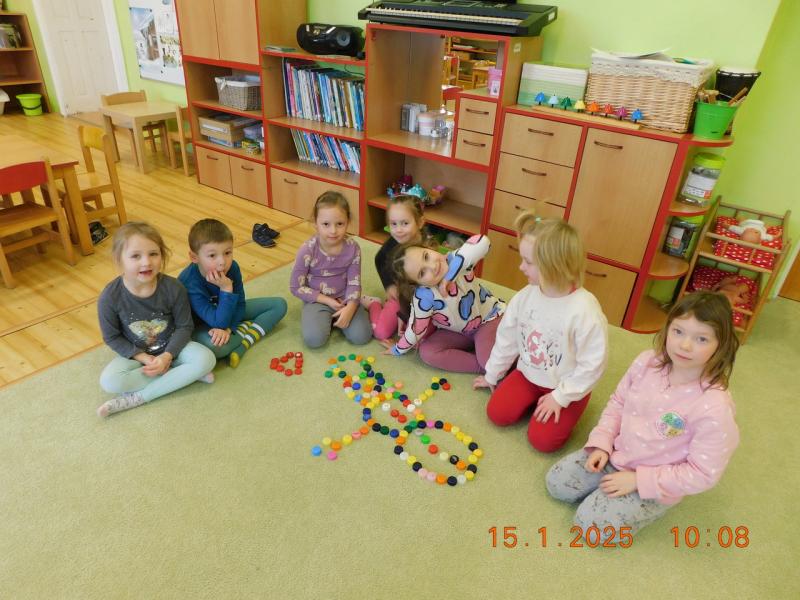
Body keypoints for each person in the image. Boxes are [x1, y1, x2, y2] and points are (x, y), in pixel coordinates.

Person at [546, 291, 740, 544]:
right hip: (616, 455)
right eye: (678, 331)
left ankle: (647, 508)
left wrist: (639, 480)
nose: (684, 345)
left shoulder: (714, 408)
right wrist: (602, 443)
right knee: (557, 483)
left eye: (701, 339)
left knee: (591, 527)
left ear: (720, 346)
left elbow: (702, 473)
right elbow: (618, 404)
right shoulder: (647, 362)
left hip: (655, 483)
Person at [474, 214, 608, 452]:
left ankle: (556, 402)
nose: (521, 267)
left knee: (543, 441)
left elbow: (593, 364)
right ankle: (532, 401)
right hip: (528, 375)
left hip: (565, 384)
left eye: (528, 261)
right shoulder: (525, 297)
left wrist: (561, 397)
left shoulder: (585, 311)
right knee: (497, 414)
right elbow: (507, 339)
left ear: (554, 266)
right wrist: (492, 374)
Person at [96, 222, 216, 417]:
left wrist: (167, 356)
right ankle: (183, 375)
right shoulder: (109, 297)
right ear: (119, 260)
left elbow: (185, 326)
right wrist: (144, 358)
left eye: (153, 254)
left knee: (206, 359)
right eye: (136, 256)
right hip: (140, 356)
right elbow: (112, 337)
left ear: (162, 255)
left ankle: (139, 397)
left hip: (175, 349)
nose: (146, 262)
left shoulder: (174, 288)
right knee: (109, 381)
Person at [386, 234, 504, 373]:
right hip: (459, 332)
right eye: (422, 273)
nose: (433, 266)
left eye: (426, 256)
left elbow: (483, 241)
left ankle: (489, 363)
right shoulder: (423, 297)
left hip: (489, 319)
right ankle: (482, 367)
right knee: (427, 352)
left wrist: (450, 276)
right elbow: (416, 328)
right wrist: (397, 349)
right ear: (416, 284)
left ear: (429, 248)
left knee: (491, 363)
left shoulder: (455, 259)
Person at [178, 218, 287, 367]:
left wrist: (230, 328)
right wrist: (226, 289)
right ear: (194, 257)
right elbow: (218, 323)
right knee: (217, 348)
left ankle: (243, 342)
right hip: (204, 325)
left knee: (279, 305)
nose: (222, 262)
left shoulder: (232, 267)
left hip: (227, 314)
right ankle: (249, 329)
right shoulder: (189, 282)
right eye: (212, 255)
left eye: (227, 252)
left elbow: (240, 304)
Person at [290, 191, 371, 348]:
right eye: (326, 224)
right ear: (315, 223)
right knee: (314, 340)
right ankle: (328, 318)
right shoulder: (307, 250)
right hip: (318, 300)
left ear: (347, 222)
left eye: (339, 224)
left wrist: (351, 307)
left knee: (362, 336)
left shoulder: (353, 247)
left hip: (345, 298)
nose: (333, 231)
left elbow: (354, 282)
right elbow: (296, 287)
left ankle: (359, 305)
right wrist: (327, 301)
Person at [361, 194, 432, 340]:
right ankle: (374, 304)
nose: (398, 230)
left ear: (420, 222)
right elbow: (380, 259)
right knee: (380, 332)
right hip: (401, 295)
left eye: (405, 223)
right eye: (393, 224)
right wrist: (389, 285)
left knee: (425, 337)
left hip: (424, 299)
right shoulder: (393, 244)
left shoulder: (428, 246)